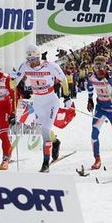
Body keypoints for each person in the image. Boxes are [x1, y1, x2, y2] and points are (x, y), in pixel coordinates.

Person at [17, 45, 69, 173]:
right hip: (37, 101)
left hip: (51, 100)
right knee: (44, 130)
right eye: (29, 60)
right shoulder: (24, 65)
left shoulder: (51, 66)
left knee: (46, 129)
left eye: (33, 59)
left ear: (38, 56)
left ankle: (45, 163)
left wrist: (67, 97)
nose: (31, 63)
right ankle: (55, 142)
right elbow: (15, 81)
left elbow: (64, 80)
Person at [86, 56, 112, 170]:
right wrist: (90, 99)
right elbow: (90, 86)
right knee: (94, 134)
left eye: (101, 66)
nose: (99, 69)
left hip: (111, 108)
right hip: (100, 107)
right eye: (96, 66)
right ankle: (97, 159)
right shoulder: (92, 77)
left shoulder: (111, 77)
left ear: (106, 66)